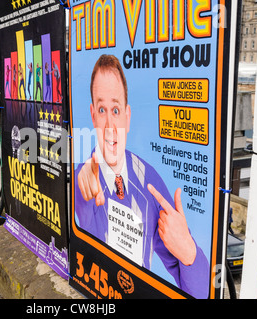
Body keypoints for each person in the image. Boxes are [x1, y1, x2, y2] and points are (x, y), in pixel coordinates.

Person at [75, 54, 209, 298]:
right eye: (102, 109)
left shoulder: (150, 182)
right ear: (93, 115)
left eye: (115, 110)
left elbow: (199, 293)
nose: (109, 124)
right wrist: (81, 187)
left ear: (127, 116)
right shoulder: (80, 178)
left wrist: (189, 251)